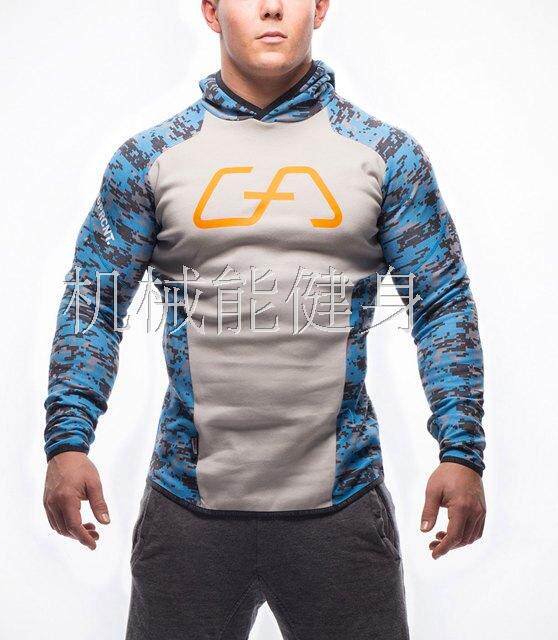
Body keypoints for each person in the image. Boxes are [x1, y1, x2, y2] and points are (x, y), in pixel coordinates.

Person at [42, 1, 487, 638]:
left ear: (320, 8)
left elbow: (442, 305)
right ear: (211, 11)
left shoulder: (385, 155)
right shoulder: (151, 158)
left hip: (341, 512)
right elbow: (94, 302)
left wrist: (462, 452)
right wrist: (68, 441)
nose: (272, 7)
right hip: (188, 513)